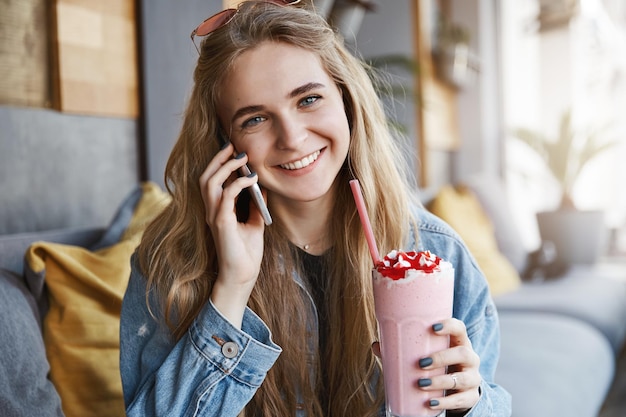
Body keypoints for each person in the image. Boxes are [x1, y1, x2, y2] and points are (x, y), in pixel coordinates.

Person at [119, 1, 512, 416]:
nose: (292, 137)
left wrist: (470, 405)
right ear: (225, 143)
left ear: (345, 98)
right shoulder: (174, 263)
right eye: (254, 119)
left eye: (308, 99)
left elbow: (484, 396)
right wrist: (232, 287)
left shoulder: (434, 253)